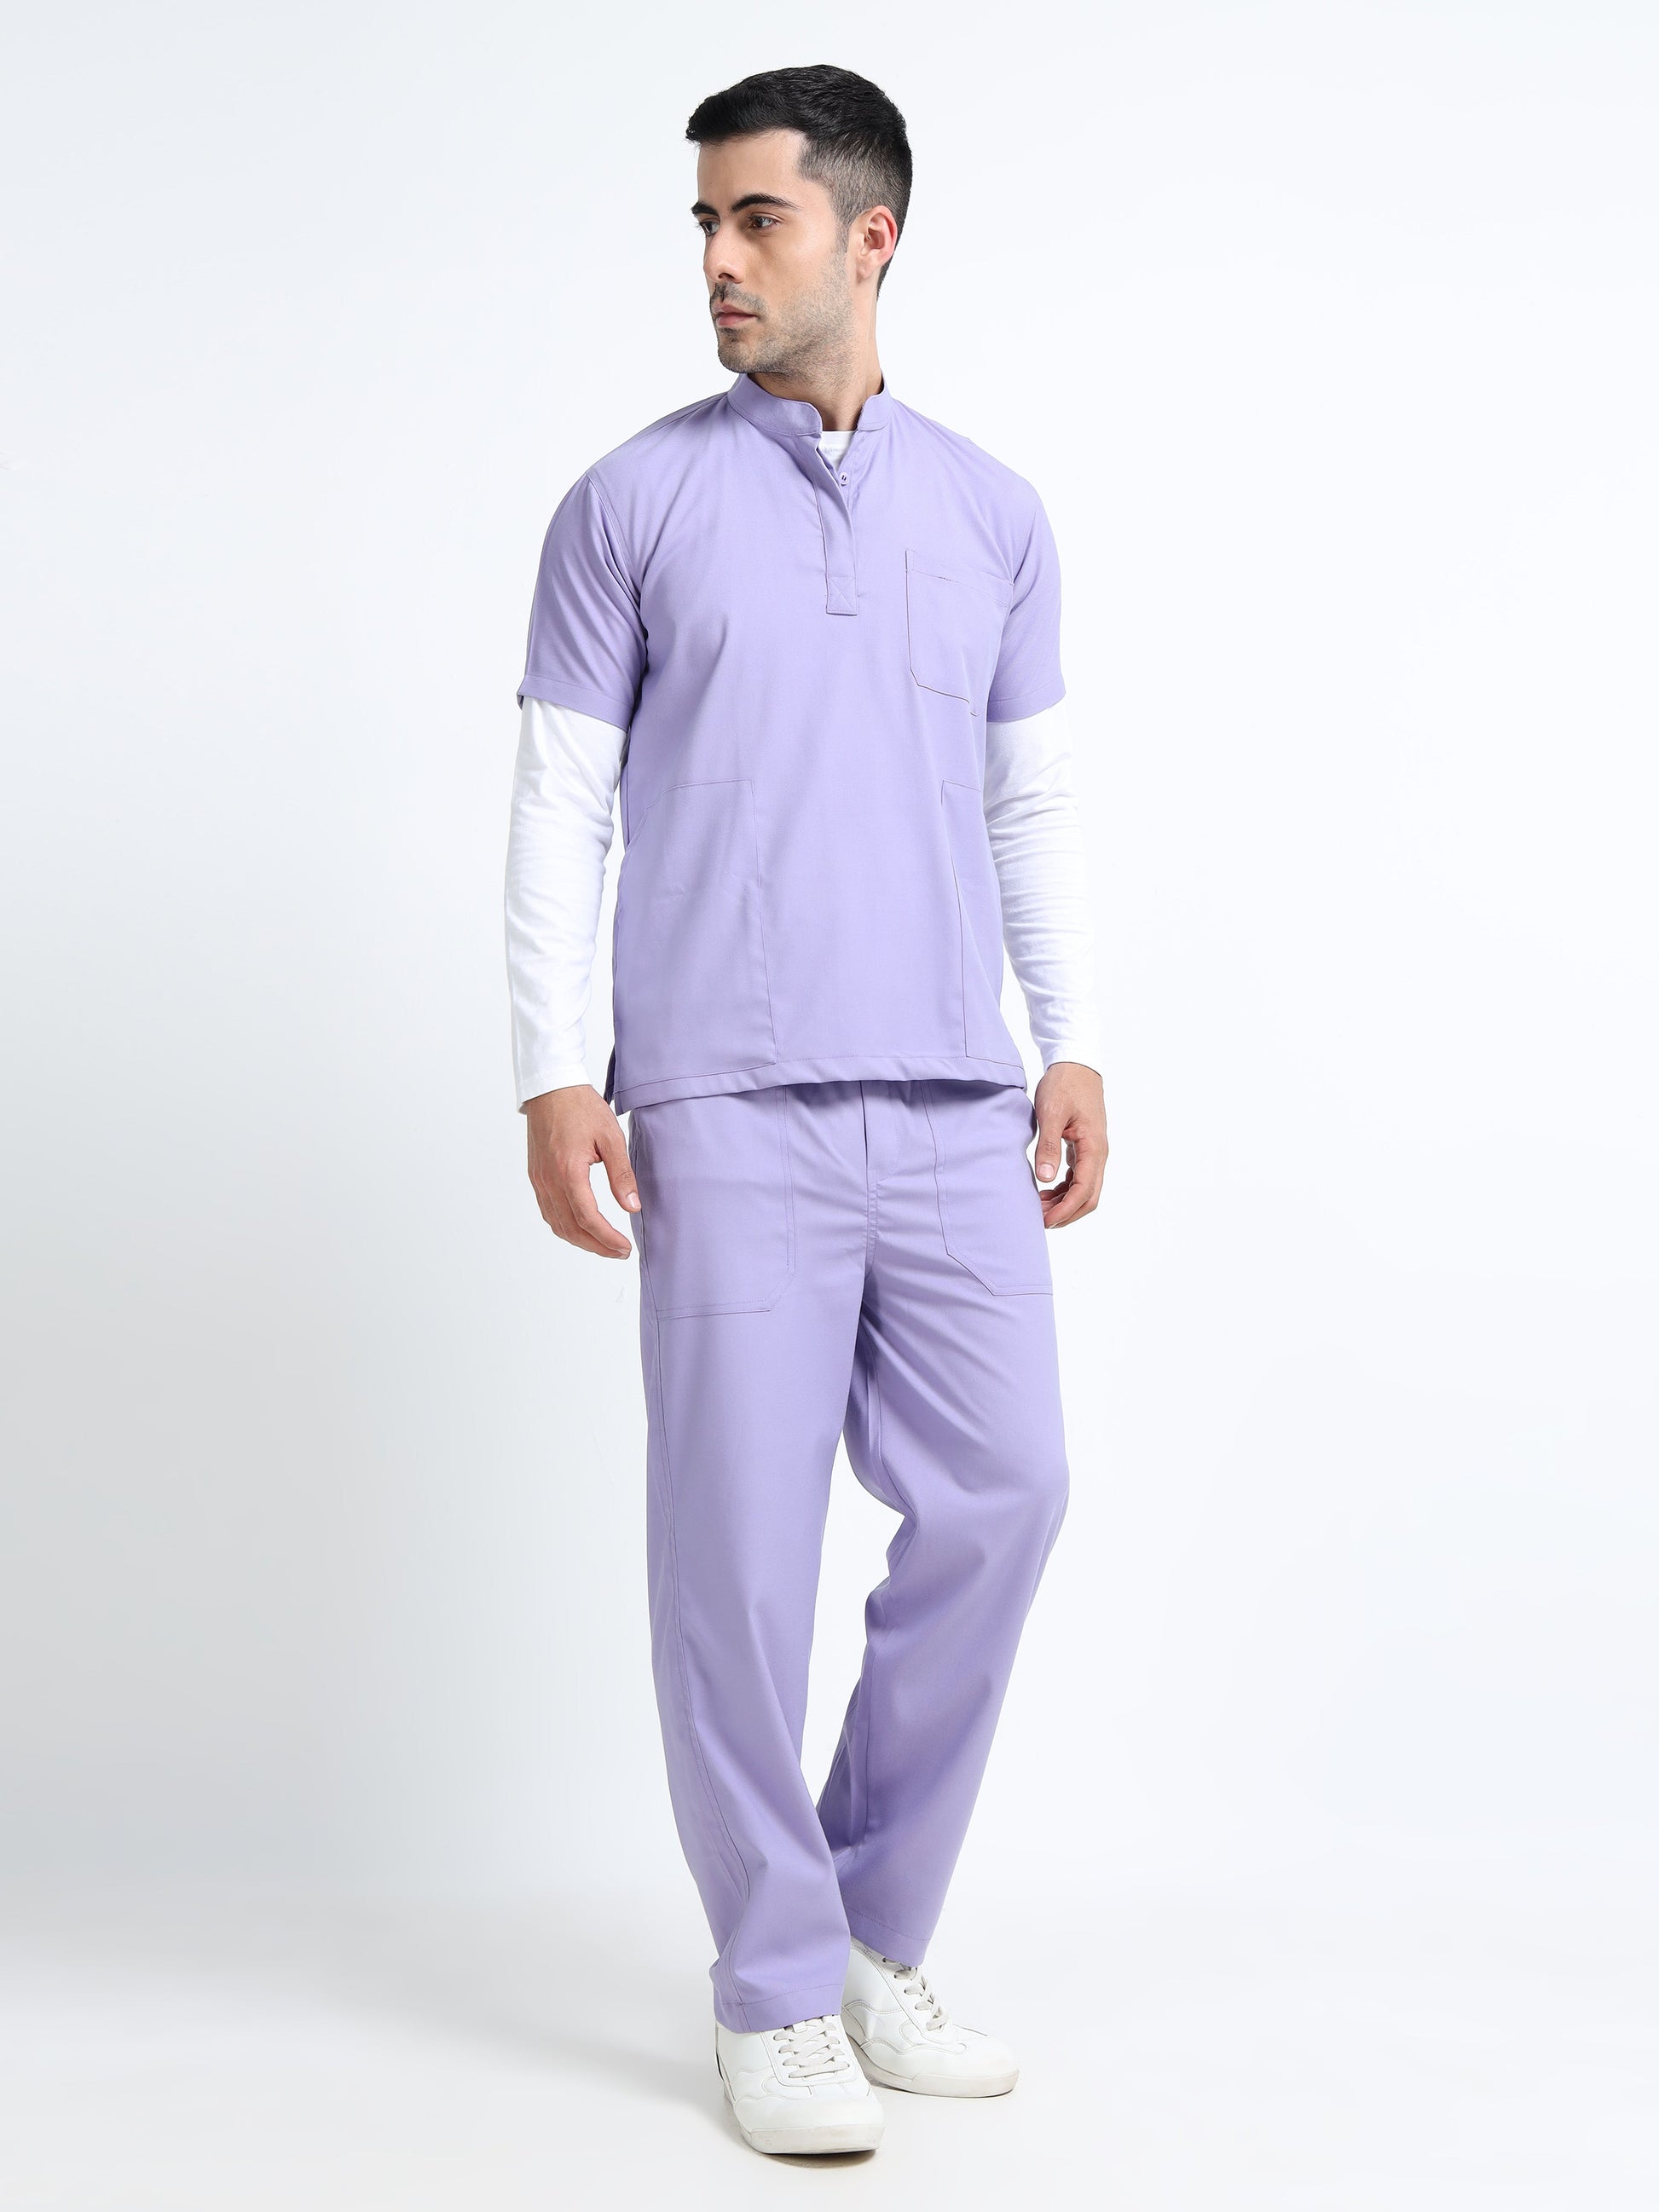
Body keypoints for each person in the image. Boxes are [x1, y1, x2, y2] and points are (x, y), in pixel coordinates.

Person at [504, 63, 1107, 2159]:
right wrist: (553, 1064)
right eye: (703, 223)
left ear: (872, 236)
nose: (717, 261)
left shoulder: (995, 513)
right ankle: (769, 1987)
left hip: (952, 1094)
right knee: (736, 1569)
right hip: (725, 1098)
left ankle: (864, 1926)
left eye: (755, 219)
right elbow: (560, 802)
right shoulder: (627, 505)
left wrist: (1071, 1032)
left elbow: (1027, 799)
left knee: (1009, 1491)